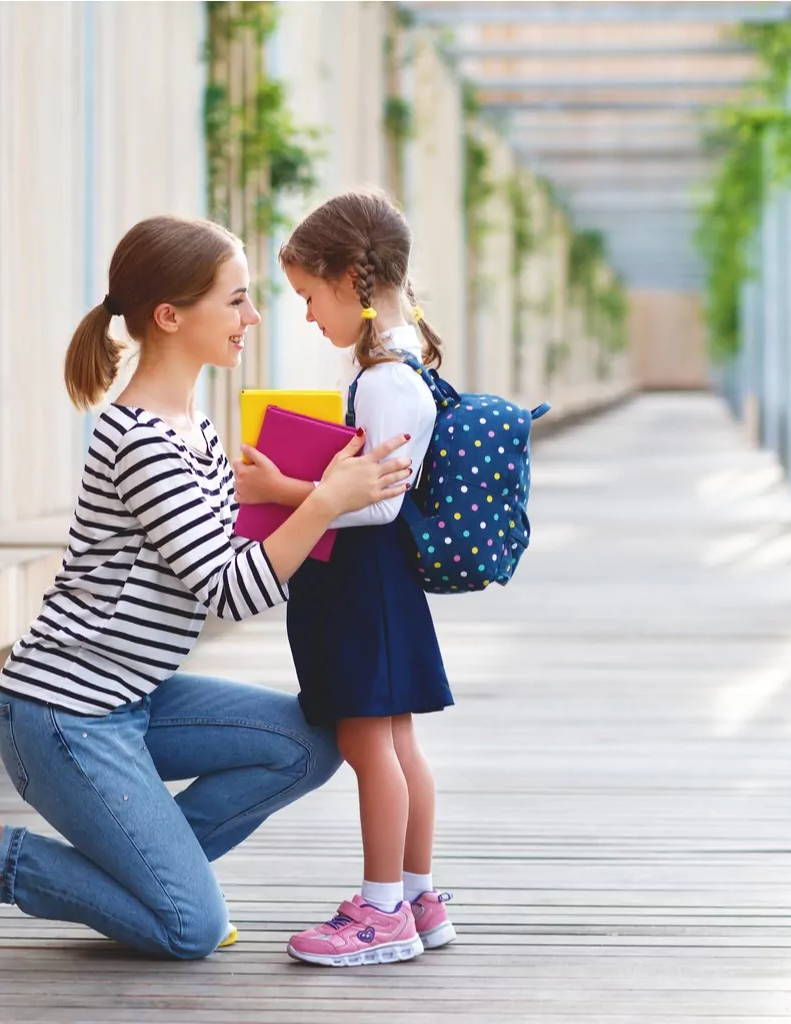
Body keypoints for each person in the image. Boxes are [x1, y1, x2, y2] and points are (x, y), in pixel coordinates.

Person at [0, 214, 415, 960]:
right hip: (62, 715)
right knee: (188, 929)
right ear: (170, 316)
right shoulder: (141, 440)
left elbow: (225, 544)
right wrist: (327, 500)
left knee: (311, 742)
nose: (254, 316)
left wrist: (300, 490)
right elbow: (230, 590)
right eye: (235, 300)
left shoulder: (193, 427)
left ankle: (150, 879)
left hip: (133, 698)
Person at [233, 190, 455, 967]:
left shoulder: (385, 379)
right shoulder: (398, 366)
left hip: (361, 588)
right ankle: (417, 895)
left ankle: (383, 909)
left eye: (307, 295)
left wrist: (278, 492)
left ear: (351, 278)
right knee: (396, 745)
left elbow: (375, 507)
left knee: (371, 748)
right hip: (377, 590)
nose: (304, 315)